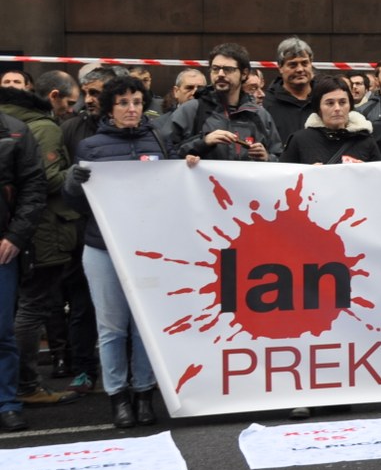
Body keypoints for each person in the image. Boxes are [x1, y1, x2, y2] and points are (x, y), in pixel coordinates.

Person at [61, 75, 168, 430]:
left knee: (144, 327)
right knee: (111, 328)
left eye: (137, 102)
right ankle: (118, 397)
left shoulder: (158, 139)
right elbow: (75, 202)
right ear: (110, 108)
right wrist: (72, 182)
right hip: (103, 247)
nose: (131, 109)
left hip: (149, 249)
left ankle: (143, 393)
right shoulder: (91, 146)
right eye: (123, 103)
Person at [0, 96, 46, 432]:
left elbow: (33, 186)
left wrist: (15, 236)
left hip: (3, 247)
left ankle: (8, 403)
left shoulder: (15, 132)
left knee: (2, 332)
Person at [167, 43, 281, 162]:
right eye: (215, 69)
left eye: (228, 69)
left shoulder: (260, 115)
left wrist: (267, 158)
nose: (220, 74)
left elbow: (280, 160)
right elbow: (167, 154)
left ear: (244, 73)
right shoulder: (191, 110)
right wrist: (203, 143)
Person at [280, 78, 380, 164]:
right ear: (318, 108)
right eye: (330, 103)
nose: (337, 108)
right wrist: (307, 174)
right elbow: (285, 179)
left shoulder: (365, 140)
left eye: (342, 102)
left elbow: (379, 181)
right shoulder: (299, 140)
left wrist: (366, 172)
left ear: (350, 106)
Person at [263, 37, 318, 136]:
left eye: (304, 63)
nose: (300, 69)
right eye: (293, 65)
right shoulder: (266, 104)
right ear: (280, 67)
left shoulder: (324, 98)